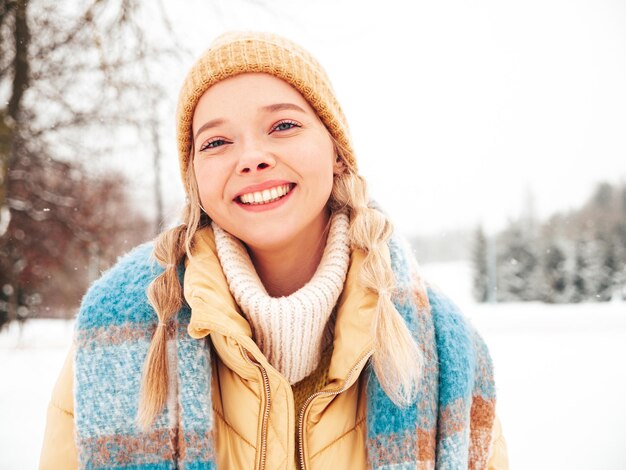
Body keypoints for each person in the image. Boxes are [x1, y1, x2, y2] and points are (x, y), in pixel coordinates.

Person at [39, 31, 508, 469]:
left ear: (337, 151)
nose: (252, 157)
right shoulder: (116, 334)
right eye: (217, 142)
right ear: (195, 179)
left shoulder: (448, 351)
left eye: (283, 125)